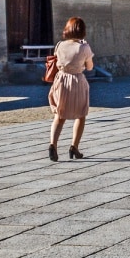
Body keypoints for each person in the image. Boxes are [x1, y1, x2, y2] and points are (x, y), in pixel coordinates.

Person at [47, 17, 94, 161]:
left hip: (61, 80)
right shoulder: (84, 47)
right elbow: (90, 67)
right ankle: (74, 147)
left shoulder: (59, 45)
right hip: (77, 80)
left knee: (59, 116)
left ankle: (53, 145)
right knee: (81, 114)